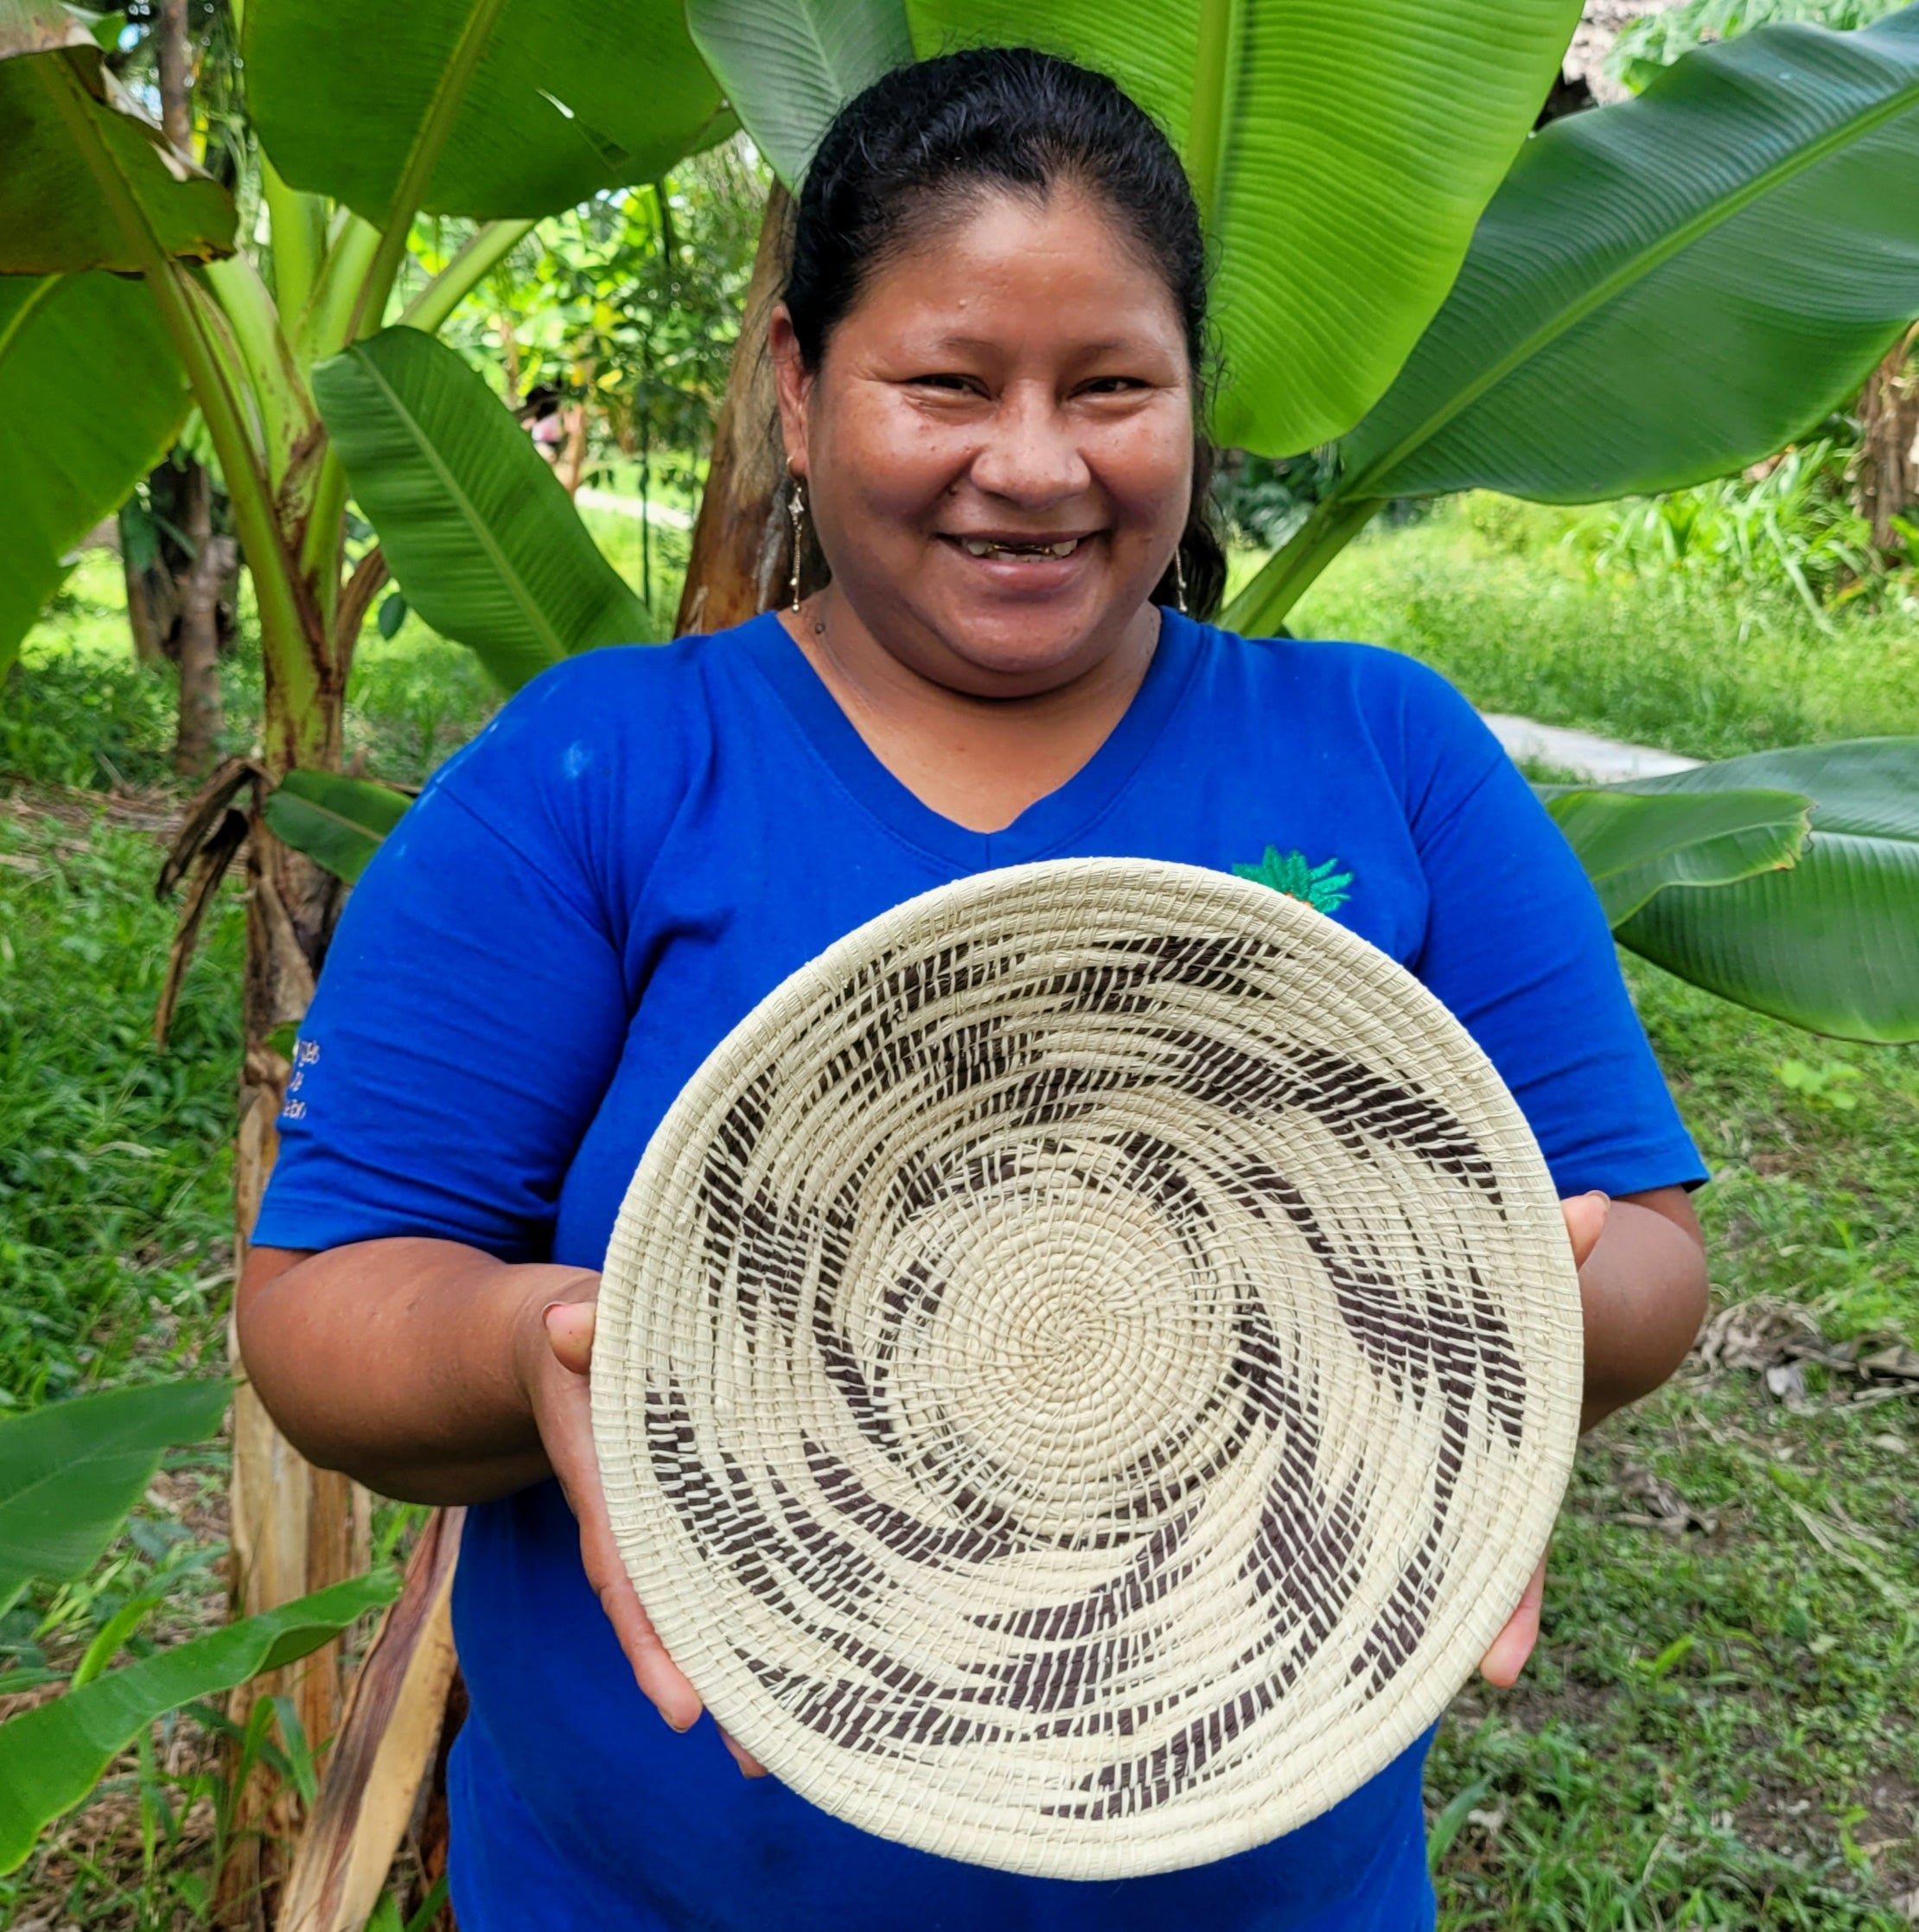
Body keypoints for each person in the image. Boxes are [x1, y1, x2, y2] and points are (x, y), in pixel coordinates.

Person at [239, 47, 1710, 1932]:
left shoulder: (1384, 752)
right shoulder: (601, 775)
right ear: (796, 376)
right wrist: (544, 1344)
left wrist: (1497, 1310)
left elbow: (1643, 1244)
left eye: (1112, 387)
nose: (1035, 463)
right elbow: (326, 1310)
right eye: (947, 382)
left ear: (1196, 398)